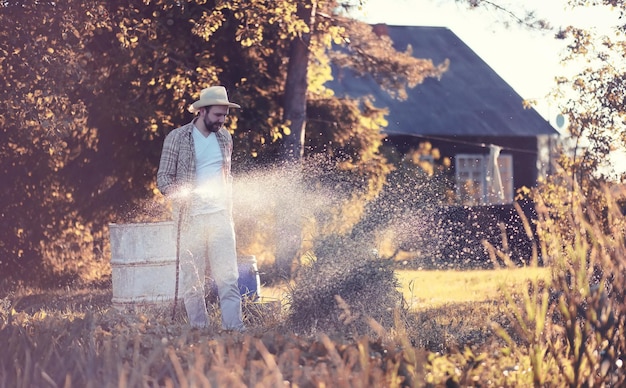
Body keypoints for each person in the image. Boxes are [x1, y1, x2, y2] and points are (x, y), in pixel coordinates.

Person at [157, 85, 245, 331]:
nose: (222, 120)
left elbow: (226, 177)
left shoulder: (225, 138)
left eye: (225, 115)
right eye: (218, 115)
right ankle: (199, 329)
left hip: (220, 218)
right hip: (190, 220)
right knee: (192, 280)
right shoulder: (177, 138)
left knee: (228, 277)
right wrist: (179, 194)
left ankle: (234, 329)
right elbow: (163, 178)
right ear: (202, 112)